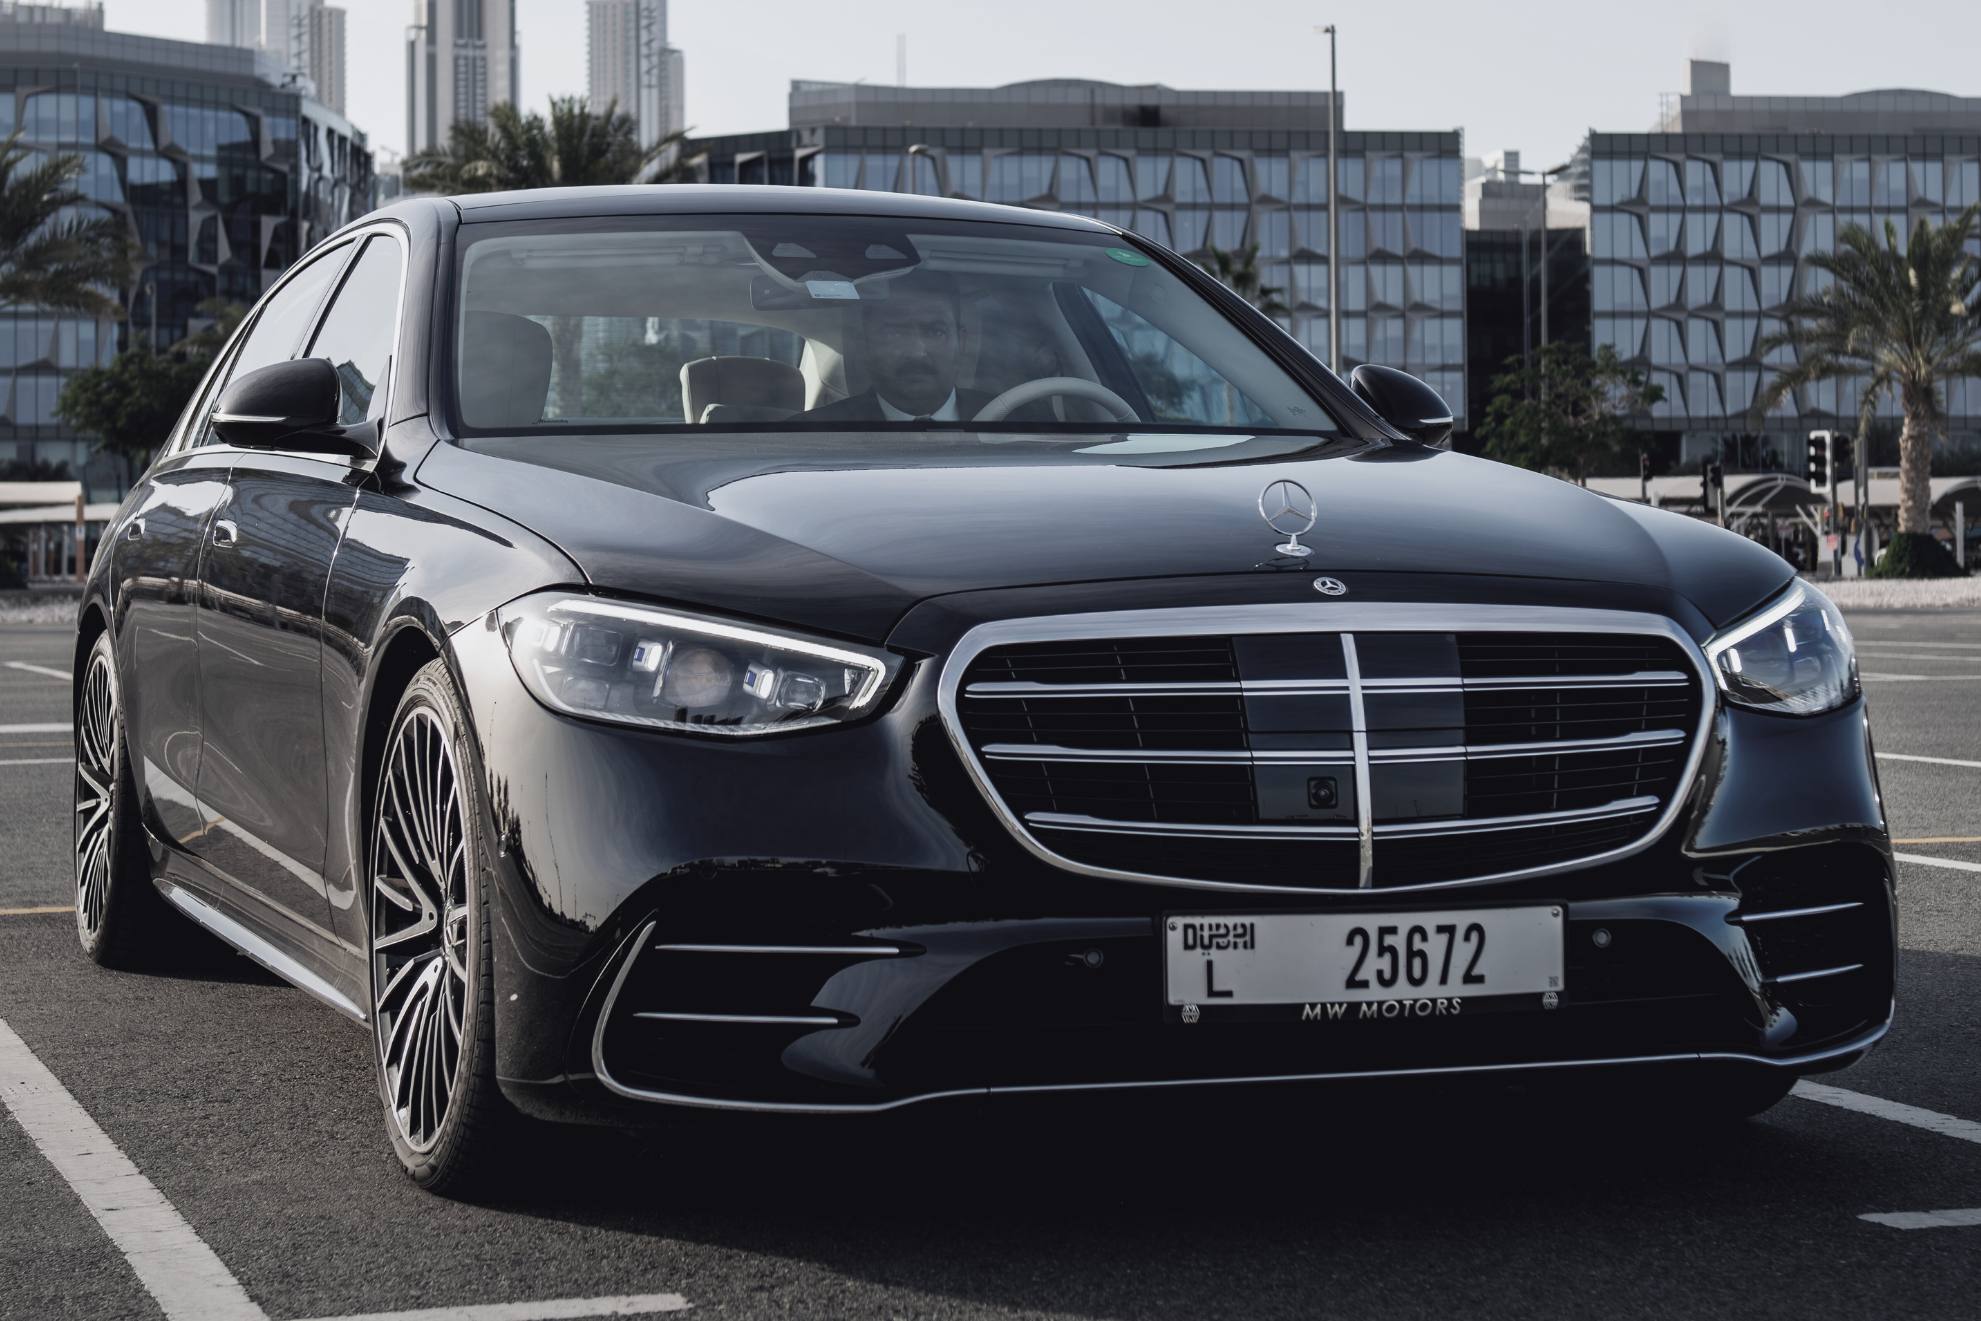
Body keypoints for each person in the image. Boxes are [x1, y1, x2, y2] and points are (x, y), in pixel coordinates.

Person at [804, 273, 1052, 423]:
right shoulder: (811, 435)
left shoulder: (1020, 424)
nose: (917, 351)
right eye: (895, 332)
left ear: (961, 342)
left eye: (936, 332)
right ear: (866, 343)